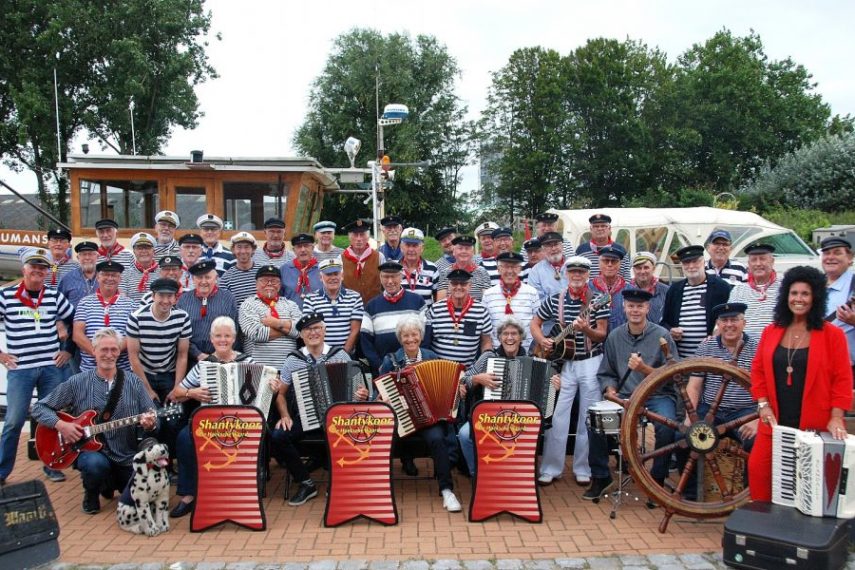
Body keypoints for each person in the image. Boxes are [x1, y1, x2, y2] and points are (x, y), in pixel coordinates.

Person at [749, 266, 854, 501]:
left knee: (809, 485)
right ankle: (766, 529)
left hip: (815, 425)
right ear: (786, 296)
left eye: (805, 294)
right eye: (794, 293)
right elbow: (757, 371)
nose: (798, 299)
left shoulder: (832, 335)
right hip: (775, 422)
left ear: (815, 297)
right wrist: (762, 404)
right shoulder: (771, 331)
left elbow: (843, 380)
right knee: (759, 471)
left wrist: (837, 416)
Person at [31, 328, 158, 514]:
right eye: (104, 350)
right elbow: (39, 408)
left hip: (125, 453)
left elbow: (152, 414)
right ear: (94, 350)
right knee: (94, 465)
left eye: (113, 350)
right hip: (90, 452)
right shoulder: (77, 382)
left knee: (140, 495)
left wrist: (151, 423)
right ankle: (91, 494)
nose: (109, 354)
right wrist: (62, 425)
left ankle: (108, 484)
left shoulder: (134, 382)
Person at [586, 288, 677, 499]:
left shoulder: (663, 336)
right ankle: (601, 476)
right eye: (631, 306)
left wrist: (644, 368)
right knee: (594, 420)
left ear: (648, 308)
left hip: (657, 395)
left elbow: (674, 374)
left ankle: (657, 480)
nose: (635, 310)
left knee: (667, 426)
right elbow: (606, 372)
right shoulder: (614, 337)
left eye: (640, 306)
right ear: (624, 308)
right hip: (625, 395)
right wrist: (610, 390)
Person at [530, 256, 609, 486]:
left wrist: (587, 330)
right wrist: (543, 340)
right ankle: (551, 467)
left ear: (588, 275)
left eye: (581, 272)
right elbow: (534, 323)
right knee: (558, 414)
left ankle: (583, 468)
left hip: (591, 361)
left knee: (587, 415)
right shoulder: (555, 299)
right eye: (573, 272)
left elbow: (602, 334)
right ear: (566, 274)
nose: (576, 276)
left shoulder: (598, 301)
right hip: (563, 363)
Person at [0, 249, 74, 485]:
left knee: (50, 419)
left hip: (51, 368)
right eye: (34, 266)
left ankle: (51, 466)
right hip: (20, 370)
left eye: (43, 268)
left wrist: (67, 349)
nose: (38, 271)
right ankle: (2, 471)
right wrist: (1, 355)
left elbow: (76, 320)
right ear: (24, 269)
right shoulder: (6, 296)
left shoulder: (53, 296)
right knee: (14, 420)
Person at [375, 316, 463, 512]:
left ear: (420, 337)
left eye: (414, 334)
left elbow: (448, 387)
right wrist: (383, 399)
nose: (410, 339)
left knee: (438, 438)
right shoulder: (391, 360)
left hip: (428, 419)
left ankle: (447, 490)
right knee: (385, 438)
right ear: (400, 339)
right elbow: (379, 393)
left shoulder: (431, 357)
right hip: (401, 419)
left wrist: (458, 389)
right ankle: (378, 488)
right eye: (405, 335)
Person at [168, 316, 250, 517]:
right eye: (218, 336)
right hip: (210, 423)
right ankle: (188, 495)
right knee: (185, 438)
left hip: (239, 424)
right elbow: (177, 393)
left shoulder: (247, 362)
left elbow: (265, 389)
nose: (223, 340)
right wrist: (191, 393)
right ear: (211, 339)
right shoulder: (203, 366)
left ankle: (243, 492)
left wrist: (272, 387)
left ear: (234, 338)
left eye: (227, 336)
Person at [457, 317, 559, 476]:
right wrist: (478, 379)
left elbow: (545, 398)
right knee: (464, 435)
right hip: (489, 417)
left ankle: (520, 474)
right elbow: (464, 380)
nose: (509, 337)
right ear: (499, 338)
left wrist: (554, 387)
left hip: (519, 419)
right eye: (505, 334)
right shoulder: (488, 358)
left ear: (521, 338)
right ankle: (477, 474)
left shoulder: (533, 361)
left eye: (514, 334)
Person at [271, 313, 353, 506]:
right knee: (277, 436)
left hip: (336, 420)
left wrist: (361, 394)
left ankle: (340, 483)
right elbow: (281, 393)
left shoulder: (339, 355)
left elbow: (355, 386)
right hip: (305, 418)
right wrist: (284, 415)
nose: (313, 332)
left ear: (324, 331)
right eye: (308, 329)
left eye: (317, 328)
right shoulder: (294, 359)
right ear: (301, 334)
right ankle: (305, 482)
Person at [681, 302, 759, 498]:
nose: (729, 325)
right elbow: (695, 385)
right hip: (710, 411)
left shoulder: (757, 347)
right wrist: (689, 417)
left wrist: (758, 418)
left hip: (745, 411)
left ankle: (751, 498)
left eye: (734, 320)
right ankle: (689, 497)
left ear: (744, 323)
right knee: (682, 438)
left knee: (757, 443)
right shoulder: (706, 346)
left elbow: (768, 387)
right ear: (718, 324)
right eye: (724, 320)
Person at [125, 278, 192, 404]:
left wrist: (177, 388)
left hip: (169, 373)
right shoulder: (136, 317)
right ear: (153, 296)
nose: (166, 301)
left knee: (173, 417)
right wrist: (147, 390)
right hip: (144, 373)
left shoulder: (182, 317)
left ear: (175, 298)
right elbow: (133, 356)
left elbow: (182, 355)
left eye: (170, 296)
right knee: (150, 415)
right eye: (161, 295)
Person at [661, 245, 731, 358]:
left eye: (695, 261)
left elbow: (729, 318)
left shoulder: (721, 288)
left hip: (712, 358)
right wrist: (671, 330)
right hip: (681, 360)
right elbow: (664, 322)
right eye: (686, 263)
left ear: (703, 262)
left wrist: (717, 332)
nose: (691, 266)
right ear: (682, 266)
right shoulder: (674, 290)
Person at [360, 261, 426, 374]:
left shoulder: (417, 301)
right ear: (380, 278)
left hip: (415, 368)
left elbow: (426, 335)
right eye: (385, 277)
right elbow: (365, 341)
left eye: (394, 276)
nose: (390, 281)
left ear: (401, 277)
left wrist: (418, 362)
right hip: (384, 370)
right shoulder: (371, 306)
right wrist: (379, 365)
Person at [73, 260, 136, 373]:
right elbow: (77, 335)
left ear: (120, 279)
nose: (110, 278)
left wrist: (111, 354)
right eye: (105, 274)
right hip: (89, 370)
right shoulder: (84, 302)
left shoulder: (130, 304)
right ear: (97, 277)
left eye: (114, 275)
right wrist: (97, 353)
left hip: (121, 371)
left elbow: (132, 335)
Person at [176, 259, 239, 365]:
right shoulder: (184, 300)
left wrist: (217, 355)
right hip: (191, 360)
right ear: (193, 280)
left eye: (208, 277)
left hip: (222, 359)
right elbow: (179, 332)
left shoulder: (228, 298)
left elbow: (234, 330)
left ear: (216, 279)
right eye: (200, 277)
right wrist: (198, 354)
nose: (204, 281)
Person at [425, 269, 493, 366]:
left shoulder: (481, 310)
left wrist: (486, 363)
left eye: (463, 284)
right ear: (449, 286)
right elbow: (427, 341)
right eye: (454, 283)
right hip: (438, 372)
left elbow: (486, 342)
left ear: (470, 286)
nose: (459, 287)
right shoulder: (435, 309)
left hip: (468, 372)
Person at [239, 265, 301, 369]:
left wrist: (275, 323)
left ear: (280, 285)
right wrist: (288, 328)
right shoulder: (248, 305)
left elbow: (300, 331)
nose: (269, 284)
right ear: (256, 284)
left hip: (288, 368)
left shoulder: (291, 305)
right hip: (258, 368)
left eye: (274, 281)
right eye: (264, 280)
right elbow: (256, 334)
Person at [302, 258, 363, 353]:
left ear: (342, 276)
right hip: (320, 354)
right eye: (328, 274)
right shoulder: (310, 299)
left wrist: (343, 354)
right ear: (320, 277)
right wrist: (324, 355)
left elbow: (355, 330)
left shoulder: (355, 297)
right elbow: (311, 331)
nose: (333, 278)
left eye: (336, 274)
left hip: (347, 354)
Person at [480, 252, 539, 351]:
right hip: (497, 354)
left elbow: (538, 324)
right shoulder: (488, 295)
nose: (510, 271)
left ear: (520, 269)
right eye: (506, 267)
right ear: (498, 269)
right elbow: (485, 330)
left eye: (514, 267)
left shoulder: (532, 292)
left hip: (527, 353)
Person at [820, 237, 854, 381]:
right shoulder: (814, 284)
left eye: (837, 253)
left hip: (848, 370)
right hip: (817, 366)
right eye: (826, 253)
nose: (830, 257)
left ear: (850, 258)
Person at [727, 243, 780, 336]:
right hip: (746, 348)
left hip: (776, 347)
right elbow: (728, 319)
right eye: (754, 260)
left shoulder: (784, 288)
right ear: (748, 264)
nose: (758, 264)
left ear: (772, 261)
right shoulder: (738, 291)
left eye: (763, 259)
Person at [614, 251, 669, 327]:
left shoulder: (666, 291)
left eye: (646, 267)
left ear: (653, 268)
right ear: (633, 270)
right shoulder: (624, 291)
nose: (642, 271)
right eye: (638, 268)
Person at [434, 236, 492, 301]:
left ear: (473, 253)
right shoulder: (445, 273)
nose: (464, 251)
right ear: (454, 252)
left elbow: (488, 299)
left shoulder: (482, 272)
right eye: (460, 248)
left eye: (467, 249)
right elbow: (440, 301)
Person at [576, 213, 630, 279]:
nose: (600, 229)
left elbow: (626, 277)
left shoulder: (620, 250)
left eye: (603, 226)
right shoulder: (581, 250)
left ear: (609, 228)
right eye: (596, 226)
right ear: (591, 229)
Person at [341, 219, 384, 303]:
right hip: (350, 307)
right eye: (355, 235)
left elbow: (385, 283)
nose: (359, 239)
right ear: (349, 237)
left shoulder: (379, 257)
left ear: (368, 237)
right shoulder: (341, 259)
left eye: (362, 235)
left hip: (374, 307)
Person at [589, 245, 629, 332]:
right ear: (599, 263)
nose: (609, 264)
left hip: (621, 339)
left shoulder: (629, 290)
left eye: (614, 261)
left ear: (620, 264)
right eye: (605, 261)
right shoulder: (588, 288)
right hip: (594, 342)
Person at [220, 232, 261, 309]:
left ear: (253, 250)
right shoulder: (226, 278)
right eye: (239, 247)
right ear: (233, 250)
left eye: (247, 247)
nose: (243, 251)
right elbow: (223, 305)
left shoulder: (262, 273)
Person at [280, 233, 321, 308]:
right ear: (294, 250)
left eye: (306, 246)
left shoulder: (322, 269)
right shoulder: (284, 270)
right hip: (291, 317)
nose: (303, 250)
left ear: (312, 248)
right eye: (299, 247)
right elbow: (279, 297)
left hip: (317, 316)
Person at [399, 227, 437, 307]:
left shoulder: (432, 269)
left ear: (422, 248)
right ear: (401, 247)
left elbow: (437, 301)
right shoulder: (393, 268)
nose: (411, 249)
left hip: (425, 318)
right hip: (399, 318)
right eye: (407, 245)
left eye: (415, 245)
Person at [526, 232, 569, 302]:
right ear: (543, 250)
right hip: (548, 311)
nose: (553, 248)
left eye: (556, 244)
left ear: (562, 246)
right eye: (549, 246)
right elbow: (536, 298)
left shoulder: (573, 264)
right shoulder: (536, 271)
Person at [119, 232, 160, 304]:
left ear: (154, 251)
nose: (144, 251)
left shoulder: (162, 273)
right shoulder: (125, 274)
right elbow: (123, 300)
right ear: (134, 251)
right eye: (140, 248)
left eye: (147, 248)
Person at [58, 241, 100, 307]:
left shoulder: (105, 277)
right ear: (78, 258)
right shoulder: (67, 279)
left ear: (97, 256)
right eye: (83, 254)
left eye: (90, 254)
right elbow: (59, 304)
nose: (87, 258)